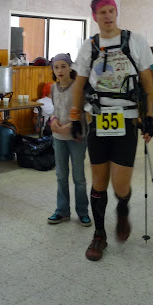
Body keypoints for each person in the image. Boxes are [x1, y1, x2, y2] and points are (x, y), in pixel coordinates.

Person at [71, 0, 153, 261]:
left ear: (116, 12)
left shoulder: (135, 41)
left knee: (120, 185)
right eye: (102, 12)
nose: (107, 16)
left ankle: (122, 209)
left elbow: (147, 82)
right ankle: (99, 235)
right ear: (94, 16)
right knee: (98, 182)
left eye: (111, 11)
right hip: (98, 121)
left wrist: (149, 115)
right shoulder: (89, 46)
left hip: (126, 121)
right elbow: (79, 83)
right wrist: (75, 117)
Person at [47, 54, 91, 227]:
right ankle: (62, 211)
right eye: (56, 67)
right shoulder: (53, 88)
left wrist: (71, 126)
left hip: (76, 137)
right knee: (61, 175)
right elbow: (54, 110)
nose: (60, 70)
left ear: (70, 67)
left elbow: (84, 111)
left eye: (63, 66)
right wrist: (53, 122)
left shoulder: (77, 87)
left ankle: (83, 212)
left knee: (79, 178)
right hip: (58, 137)